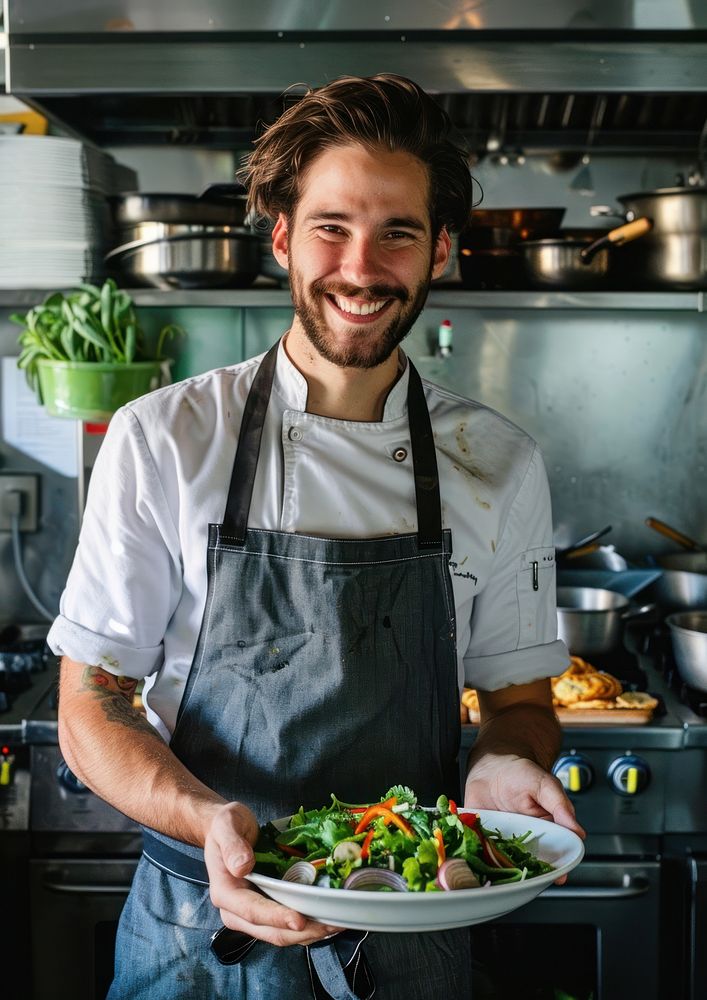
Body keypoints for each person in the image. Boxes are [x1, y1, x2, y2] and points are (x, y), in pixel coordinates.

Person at [50, 74, 584, 1000]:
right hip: (199, 932)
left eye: (399, 233)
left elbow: (518, 698)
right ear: (285, 239)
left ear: (440, 253)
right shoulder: (164, 439)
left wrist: (506, 757)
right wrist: (207, 819)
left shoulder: (497, 460)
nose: (362, 266)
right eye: (332, 226)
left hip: (412, 930)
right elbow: (92, 704)